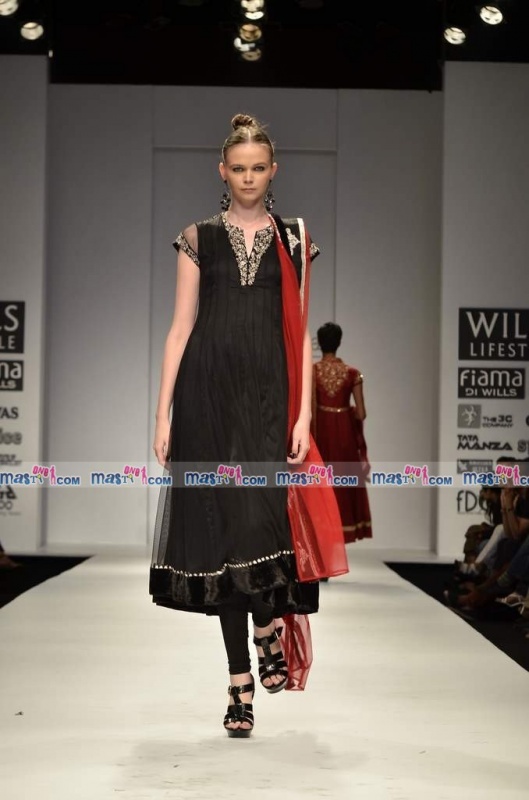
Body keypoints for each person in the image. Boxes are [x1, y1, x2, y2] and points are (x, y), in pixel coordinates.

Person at [149, 114, 348, 738]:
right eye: (238, 168)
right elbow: (181, 328)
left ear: (273, 170)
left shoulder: (295, 241)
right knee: (218, 539)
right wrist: (163, 413)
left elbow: (302, 332)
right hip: (206, 398)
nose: (248, 178)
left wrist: (304, 414)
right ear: (222, 171)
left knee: (260, 526)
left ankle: (267, 625)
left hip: (268, 402)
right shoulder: (197, 239)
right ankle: (239, 683)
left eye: (258, 168)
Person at [311, 322, 372, 543]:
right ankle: (341, 533)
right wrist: (346, 411)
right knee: (343, 483)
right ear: (339, 343)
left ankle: (321, 535)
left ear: (320, 343)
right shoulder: (353, 373)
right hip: (345, 435)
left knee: (320, 484)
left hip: (321, 434)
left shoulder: (312, 372)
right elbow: (361, 413)